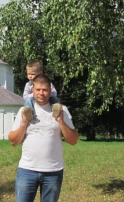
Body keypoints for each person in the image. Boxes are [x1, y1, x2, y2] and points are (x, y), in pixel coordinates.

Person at [9, 74, 79, 202]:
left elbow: (73, 140)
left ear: (50, 91)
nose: (41, 93)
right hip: (27, 170)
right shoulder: (24, 111)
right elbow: (13, 141)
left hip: (53, 171)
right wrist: (24, 123)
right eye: (38, 89)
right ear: (32, 91)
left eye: (45, 90)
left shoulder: (61, 110)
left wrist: (61, 121)